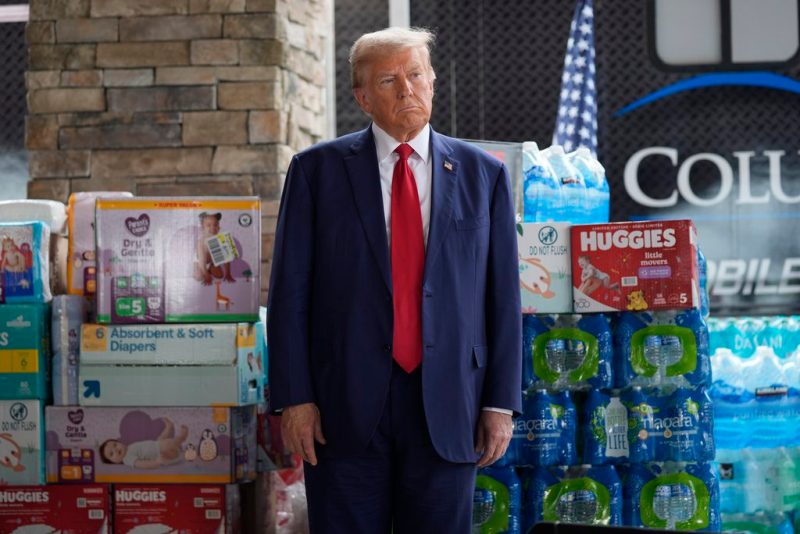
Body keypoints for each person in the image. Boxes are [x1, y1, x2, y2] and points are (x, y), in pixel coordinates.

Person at [267, 27, 522, 533]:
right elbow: (289, 293)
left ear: (432, 82)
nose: (407, 89)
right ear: (362, 97)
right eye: (388, 79)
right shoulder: (316, 172)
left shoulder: (482, 174)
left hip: (450, 402)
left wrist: (500, 402)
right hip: (343, 404)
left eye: (416, 74)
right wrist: (294, 399)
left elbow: (503, 298)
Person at [99, 417, 188, 469]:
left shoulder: (129, 448)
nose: (115, 449)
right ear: (114, 462)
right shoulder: (127, 459)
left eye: (115, 444)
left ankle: (168, 428)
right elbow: (141, 464)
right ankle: (181, 438)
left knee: (161, 439)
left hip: (156, 445)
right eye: (111, 453)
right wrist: (157, 462)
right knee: (168, 444)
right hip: (157, 453)